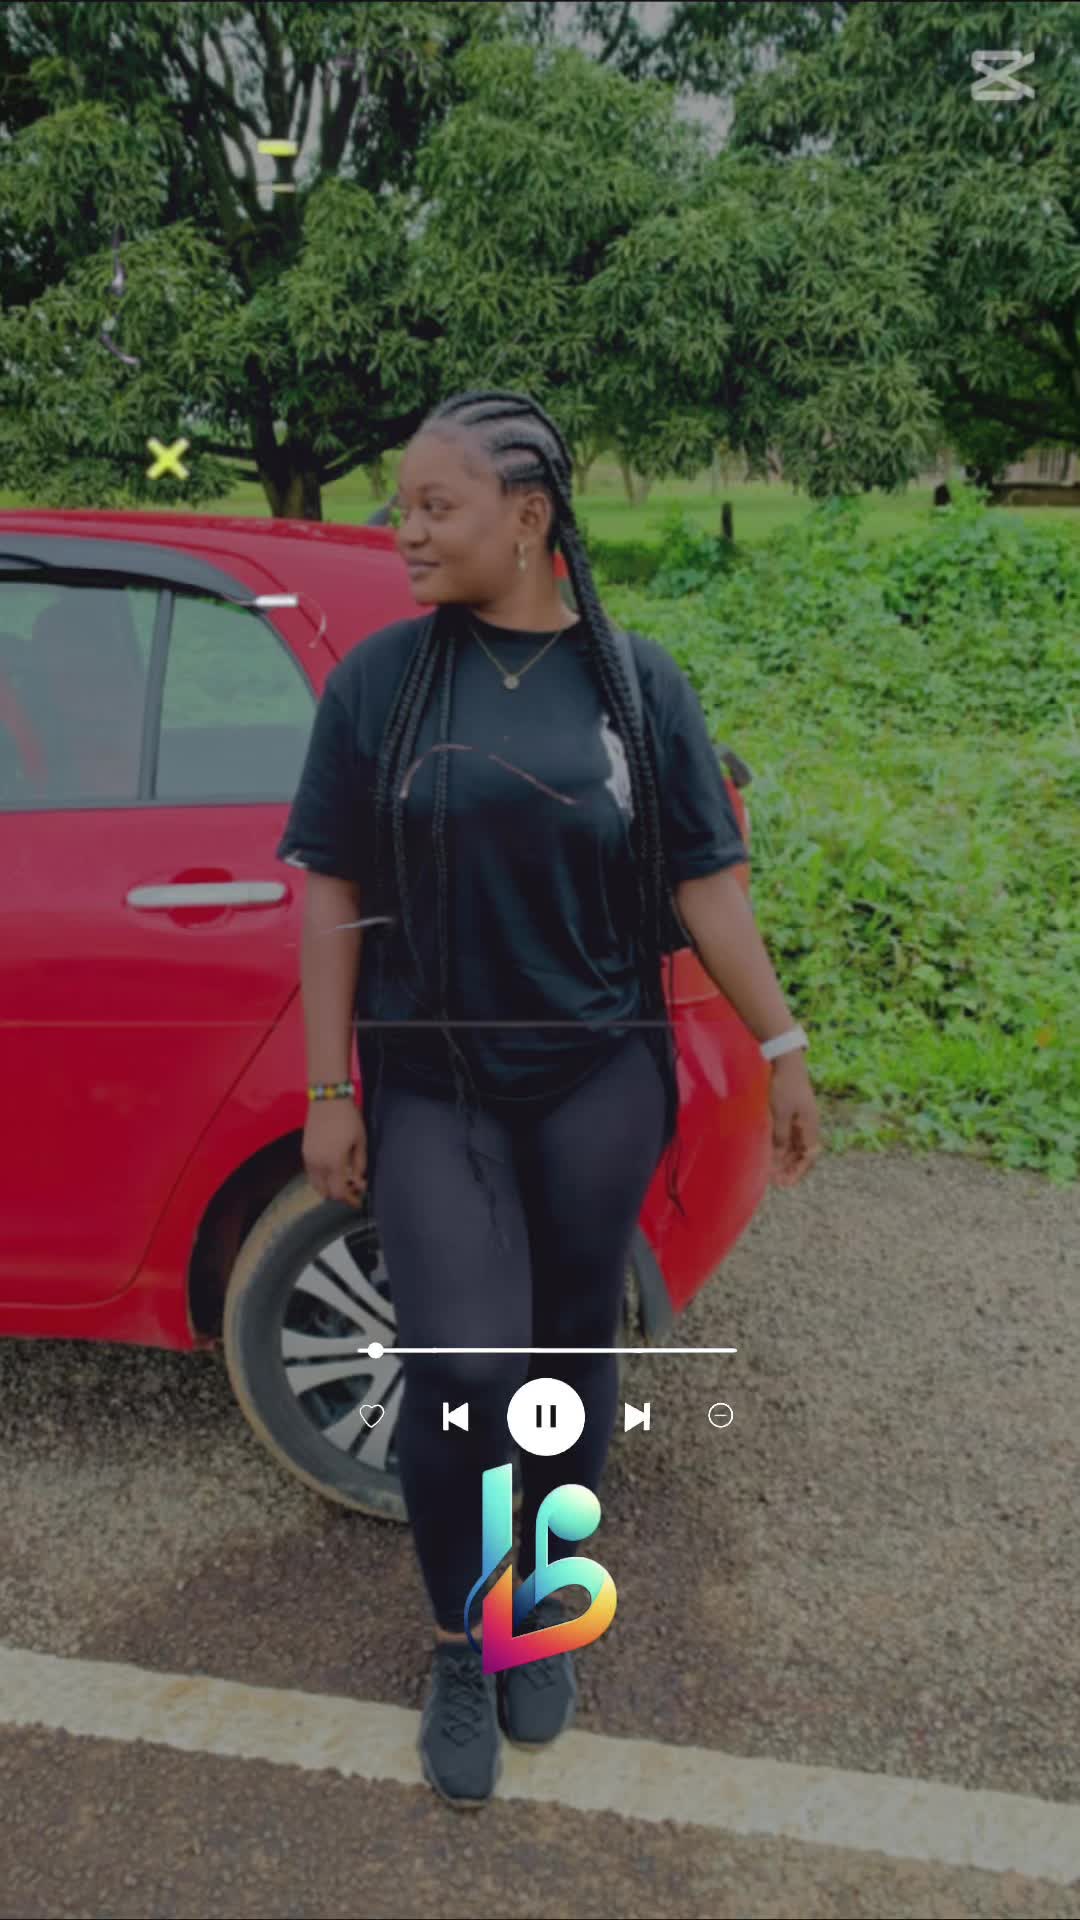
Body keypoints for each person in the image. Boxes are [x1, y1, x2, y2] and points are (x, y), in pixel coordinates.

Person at [276, 387, 821, 1809]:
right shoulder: (380, 684)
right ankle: (461, 1639)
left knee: (569, 1362)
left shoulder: (638, 687)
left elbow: (707, 885)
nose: (405, 531)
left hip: (597, 1075)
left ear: (528, 518)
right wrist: (330, 1084)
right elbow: (332, 891)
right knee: (464, 1373)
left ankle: (539, 1609)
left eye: (435, 506)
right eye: (401, 506)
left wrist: (780, 1045)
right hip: (433, 1080)